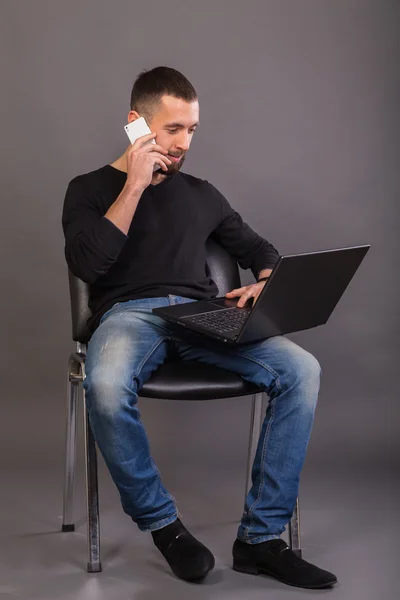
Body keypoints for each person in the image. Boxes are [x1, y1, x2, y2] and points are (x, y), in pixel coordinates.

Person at [62, 66, 337, 589]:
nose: (184, 143)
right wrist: (136, 185)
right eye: (173, 130)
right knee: (104, 384)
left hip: (200, 314)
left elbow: (261, 251)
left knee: (301, 369)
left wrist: (266, 283)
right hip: (129, 316)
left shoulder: (202, 194)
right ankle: (165, 527)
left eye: (191, 130)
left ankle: (260, 540)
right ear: (136, 125)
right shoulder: (90, 189)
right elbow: (88, 264)